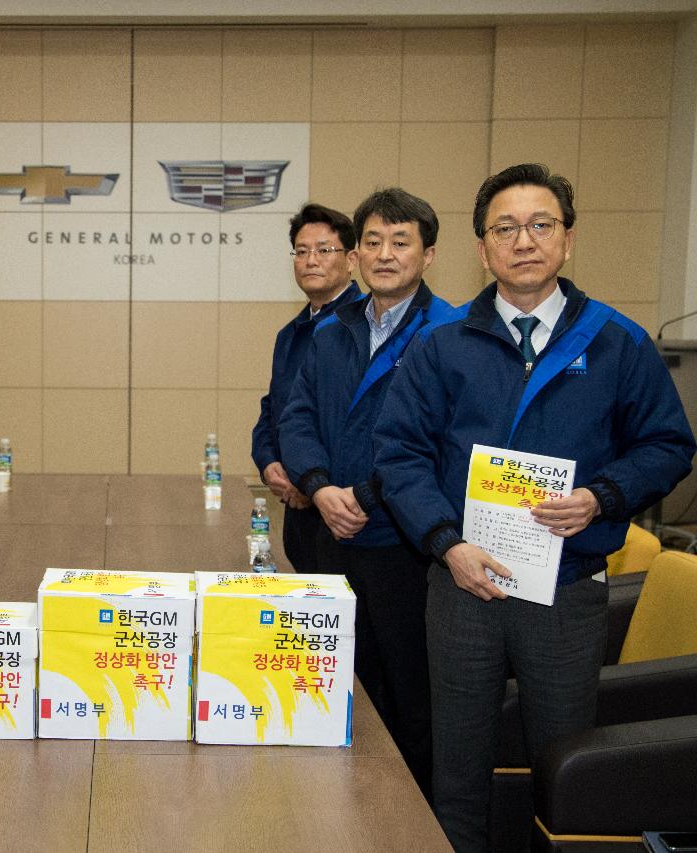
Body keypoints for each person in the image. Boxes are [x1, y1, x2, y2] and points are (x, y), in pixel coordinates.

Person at [373, 163, 695, 852]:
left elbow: (669, 444)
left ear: (568, 239)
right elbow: (398, 454)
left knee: (561, 768)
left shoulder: (615, 340)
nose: (525, 241)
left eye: (541, 225)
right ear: (483, 247)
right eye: (506, 228)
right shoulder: (443, 343)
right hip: (462, 584)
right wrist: (445, 543)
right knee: (456, 772)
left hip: (568, 589)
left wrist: (601, 496)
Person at [278, 187, 453, 797]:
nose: (385, 254)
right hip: (332, 536)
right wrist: (321, 487)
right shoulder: (332, 331)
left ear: (428, 254)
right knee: (337, 685)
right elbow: (295, 418)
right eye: (373, 241)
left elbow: (439, 443)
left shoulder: (451, 333)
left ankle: (405, 820)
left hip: (405, 547)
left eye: (401, 242)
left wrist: (367, 498)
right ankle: (345, 811)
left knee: (407, 699)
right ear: (356, 255)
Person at [250, 203, 362, 573]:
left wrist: (308, 478)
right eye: (301, 251)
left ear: (351, 260)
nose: (311, 260)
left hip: (348, 512)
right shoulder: (290, 333)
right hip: (297, 510)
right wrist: (269, 463)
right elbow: (275, 408)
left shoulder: (366, 329)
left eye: (324, 250)